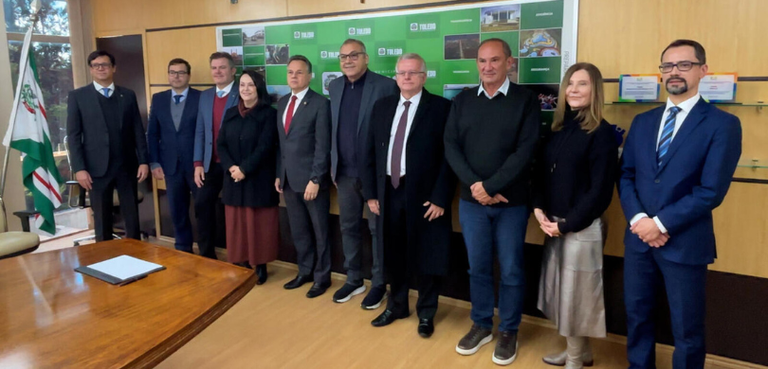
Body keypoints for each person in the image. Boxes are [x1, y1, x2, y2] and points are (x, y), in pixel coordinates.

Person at [618, 39, 741, 369]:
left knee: (687, 329)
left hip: (685, 243)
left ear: (703, 70)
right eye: (668, 66)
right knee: (638, 318)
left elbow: (710, 191)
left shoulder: (722, 124)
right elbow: (626, 176)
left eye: (684, 65)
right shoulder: (643, 121)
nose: (674, 72)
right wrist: (641, 221)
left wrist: (658, 224)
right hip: (639, 241)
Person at [444, 38, 540, 365]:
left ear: (509, 63)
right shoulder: (463, 101)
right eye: (482, 61)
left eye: (495, 60)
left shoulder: (526, 101)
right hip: (473, 204)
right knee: (479, 267)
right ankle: (482, 324)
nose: (488, 67)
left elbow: (525, 152)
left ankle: (509, 330)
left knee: (512, 269)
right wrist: (477, 187)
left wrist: (493, 185)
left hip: (512, 204)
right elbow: (451, 147)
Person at [532, 63, 618, 369]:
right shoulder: (559, 129)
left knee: (578, 296)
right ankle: (580, 353)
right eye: (570, 84)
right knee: (562, 294)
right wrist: (539, 210)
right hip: (554, 223)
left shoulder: (603, 133)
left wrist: (567, 224)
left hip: (581, 227)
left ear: (595, 90)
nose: (573, 90)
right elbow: (543, 174)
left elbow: (600, 192)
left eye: (582, 84)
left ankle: (575, 359)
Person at [362, 53, 454, 338]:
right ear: (396, 76)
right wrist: (371, 194)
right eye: (402, 73)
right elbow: (368, 152)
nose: (407, 77)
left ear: (424, 77)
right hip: (388, 192)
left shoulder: (441, 108)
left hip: (426, 198)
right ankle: (397, 305)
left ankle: (426, 313)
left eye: (413, 73)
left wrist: (441, 197)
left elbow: (450, 158)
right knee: (393, 254)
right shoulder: (382, 106)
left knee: (427, 255)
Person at [328, 38, 398, 308]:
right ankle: (354, 277)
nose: (348, 60)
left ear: (366, 58)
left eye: (354, 55)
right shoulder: (334, 86)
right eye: (343, 56)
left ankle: (379, 283)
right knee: (348, 227)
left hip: (375, 177)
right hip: (343, 174)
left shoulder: (384, 86)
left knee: (376, 230)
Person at [67, 50, 149, 241]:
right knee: (102, 221)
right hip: (96, 169)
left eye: (105, 65)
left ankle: (136, 257)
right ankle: (104, 261)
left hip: (126, 166)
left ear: (114, 68)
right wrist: (79, 169)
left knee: (132, 218)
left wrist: (144, 161)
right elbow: (73, 136)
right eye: (96, 65)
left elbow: (138, 130)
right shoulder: (78, 96)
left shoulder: (127, 95)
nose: (101, 68)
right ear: (91, 69)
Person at [275, 55, 333, 298]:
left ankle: (322, 278)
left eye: (299, 72)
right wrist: (280, 174)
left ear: (310, 76)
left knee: (320, 231)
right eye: (290, 72)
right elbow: (282, 144)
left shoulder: (320, 103)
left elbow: (323, 145)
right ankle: (305, 271)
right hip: (288, 180)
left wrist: (316, 178)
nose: (294, 76)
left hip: (311, 181)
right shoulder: (282, 102)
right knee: (299, 230)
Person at [216, 70, 278, 285]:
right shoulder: (231, 112)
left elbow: (265, 147)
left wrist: (244, 169)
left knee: (257, 224)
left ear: (258, 87)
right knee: (237, 223)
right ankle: (240, 261)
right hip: (233, 178)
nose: (245, 89)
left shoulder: (269, 114)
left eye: (250, 85)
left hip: (257, 179)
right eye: (242, 85)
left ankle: (259, 265)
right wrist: (232, 167)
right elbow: (221, 144)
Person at [147, 58, 200, 253]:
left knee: (202, 210)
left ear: (188, 75)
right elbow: (152, 133)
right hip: (170, 166)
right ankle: (183, 249)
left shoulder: (200, 97)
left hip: (197, 165)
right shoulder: (159, 99)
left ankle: (206, 251)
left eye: (181, 72)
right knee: (177, 211)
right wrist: (154, 162)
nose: (176, 76)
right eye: (172, 72)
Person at [193, 52, 240, 259]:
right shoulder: (205, 96)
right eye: (214, 68)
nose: (218, 72)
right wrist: (198, 163)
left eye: (222, 67)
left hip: (233, 164)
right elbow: (200, 131)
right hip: (209, 163)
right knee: (202, 206)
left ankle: (238, 256)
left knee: (234, 211)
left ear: (232, 71)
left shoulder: (242, 92)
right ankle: (207, 255)